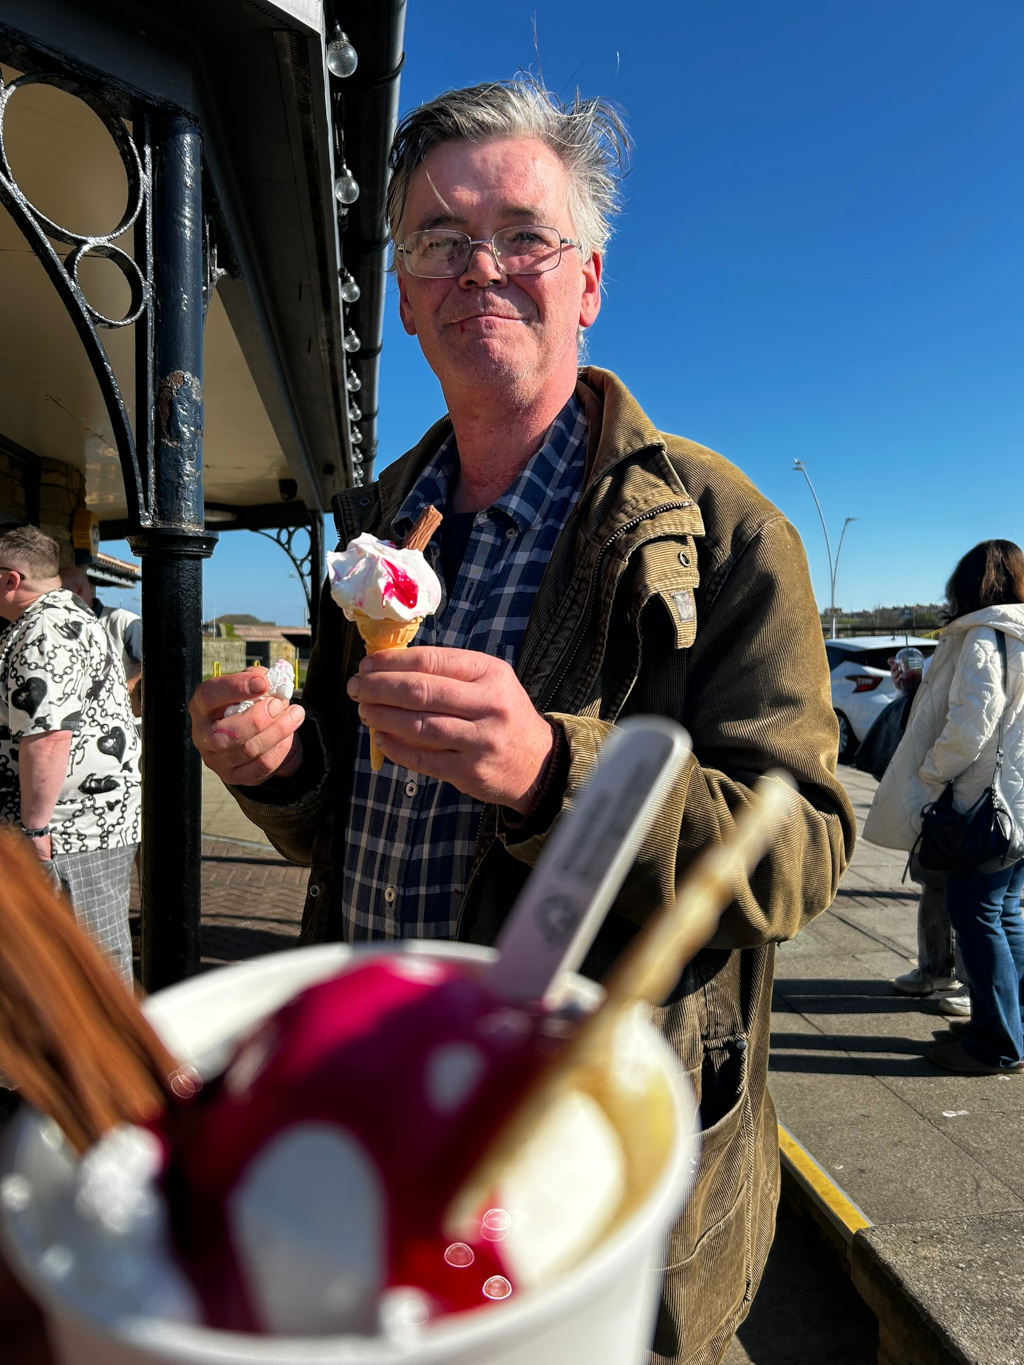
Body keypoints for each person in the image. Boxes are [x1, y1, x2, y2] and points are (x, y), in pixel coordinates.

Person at [189, 80, 855, 1365]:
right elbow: (348, 824)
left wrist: (557, 771)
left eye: (521, 236)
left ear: (588, 280)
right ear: (401, 292)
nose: (478, 269)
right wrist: (278, 767)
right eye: (437, 242)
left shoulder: (722, 533)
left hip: (586, 1135)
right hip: (380, 1096)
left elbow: (804, 848)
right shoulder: (375, 533)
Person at [865, 540, 1024, 1075]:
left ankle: (995, 1044)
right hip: (1016, 804)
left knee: (975, 914)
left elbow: (973, 722)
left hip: (982, 803)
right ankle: (1007, 1024)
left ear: (970, 584)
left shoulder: (984, 634)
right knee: (1006, 915)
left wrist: (932, 772)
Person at [0, 526, 140, 987]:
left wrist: (36, 828)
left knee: (90, 964)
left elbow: (48, 737)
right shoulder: (68, 615)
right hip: (82, 826)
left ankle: (116, 1059)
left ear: (10, 580)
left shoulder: (43, 630)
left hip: (68, 831)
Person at [59, 566, 142, 707]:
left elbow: (155, 665)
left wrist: (128, 686)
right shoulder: (61, 629)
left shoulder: (123, 621)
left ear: (79, 591)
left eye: (58, 595)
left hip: (124, 719)